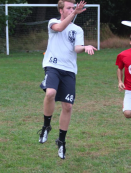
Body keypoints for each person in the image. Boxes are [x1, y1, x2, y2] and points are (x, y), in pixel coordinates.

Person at [37, 0, 97, 159]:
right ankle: (46, 127)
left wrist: (85, 47)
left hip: (69, 70)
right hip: (53, 66)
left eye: (73, 7)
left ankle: (61, 142)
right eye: (69, 8)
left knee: (68, 106)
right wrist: (74, 13)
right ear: (61, 10)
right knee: (50, 93)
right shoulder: (53, 22)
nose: (73, 9)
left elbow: (76, 48)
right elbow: (60, 27)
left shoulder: (77, 29)